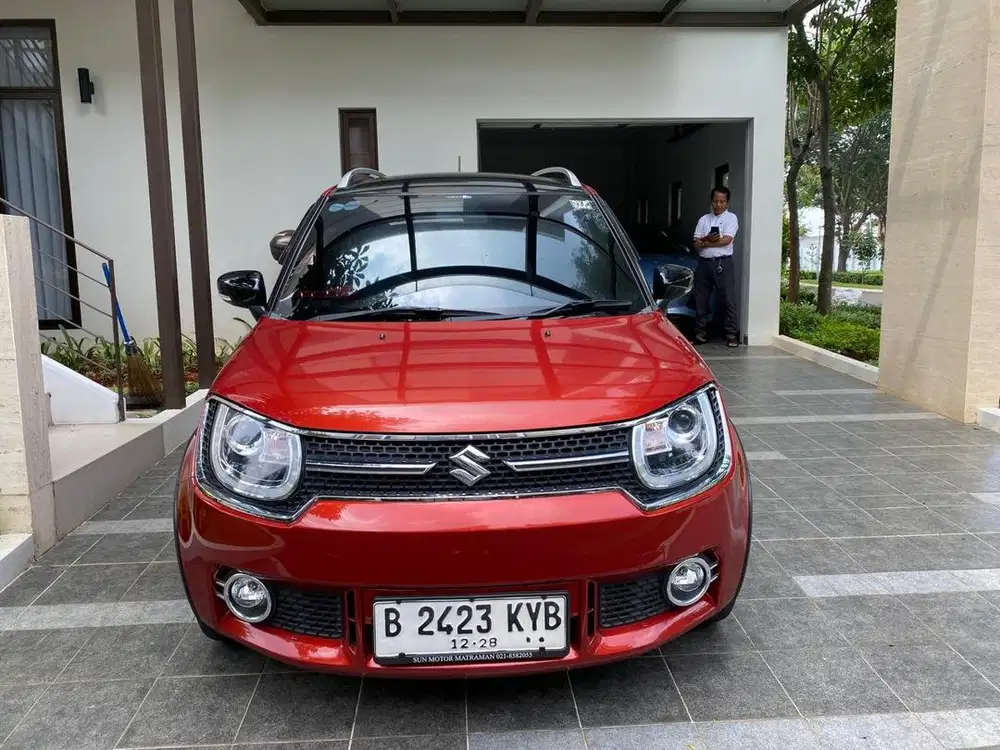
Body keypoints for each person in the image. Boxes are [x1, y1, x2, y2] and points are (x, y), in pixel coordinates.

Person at [692, 186, 740, 347]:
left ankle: (731, 335)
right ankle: (700, 334)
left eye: (722, 201)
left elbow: (726, 240)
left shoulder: (731, 218)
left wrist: (705, 241)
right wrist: (707, 240)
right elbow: (696, 244)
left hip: (723, 263)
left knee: (728, 299)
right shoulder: (704, 219)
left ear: (727, 202)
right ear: (711, 201)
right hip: (704, 264)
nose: (718, 205)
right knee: (700, 299)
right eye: (715, 201)